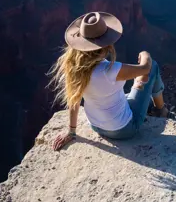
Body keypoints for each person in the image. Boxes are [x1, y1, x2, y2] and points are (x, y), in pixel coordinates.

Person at [49, 11, 168, 150]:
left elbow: (73, 101)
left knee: (130, 94)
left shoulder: (74, 69)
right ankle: (161, 110)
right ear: (106, 44)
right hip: (125, 129)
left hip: (96, 126)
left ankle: (153, 107)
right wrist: (145, 54)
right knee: (153, 66)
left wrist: (71, 131)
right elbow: (145, 68)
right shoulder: (110, 70)